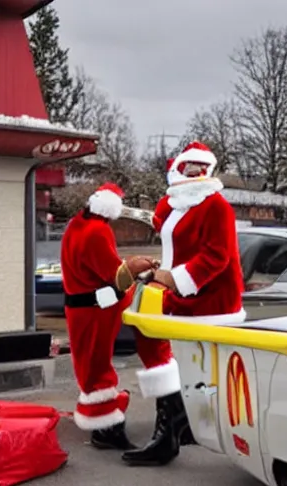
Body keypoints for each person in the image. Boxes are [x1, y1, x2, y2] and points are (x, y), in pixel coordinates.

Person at [123, 141, 245, 466]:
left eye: (198, 168)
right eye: (187, 167)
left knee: (194, 364)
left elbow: (216, 257)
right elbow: (163, 221)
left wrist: (169, 278)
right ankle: (179, 424)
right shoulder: (181, 205)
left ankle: (174, 430)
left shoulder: (216, 206)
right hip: (181, 297)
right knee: (174, 357)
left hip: (209, 299)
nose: (193, 173)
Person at [61, 182, 158, 450]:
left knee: (89, 363)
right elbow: (115, 276)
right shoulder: (98, 231)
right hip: (96, 309)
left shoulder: (75, 225)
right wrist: (136, 267)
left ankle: (102, 422)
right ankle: (107, 428)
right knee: (97, 365)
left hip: (80, 307)